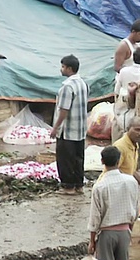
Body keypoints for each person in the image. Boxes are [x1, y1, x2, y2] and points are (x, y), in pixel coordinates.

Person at [88, 146, 140, 260]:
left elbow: (95, 218)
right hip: (124, 231)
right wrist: (130, 230)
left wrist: (92, 241)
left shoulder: (100, 186)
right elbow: (136, 208)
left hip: (107, 235)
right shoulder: (131, 181)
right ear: (119, 161)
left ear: (102, 161)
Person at [50, 55, 89, 196]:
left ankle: (68, 187)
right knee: (78, 158)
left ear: (69, 69)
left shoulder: (67, 86)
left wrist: (56, 127)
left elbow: (64, 109)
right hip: (80, 129)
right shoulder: (83, 84)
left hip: (67, 130)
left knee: (66, 159)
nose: (61, 69)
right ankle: (79, 185)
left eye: (63, 67)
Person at [113, 47, 140, 143]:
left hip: (122, 105)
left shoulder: (124, 71)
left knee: (119, 130)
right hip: (139, 106)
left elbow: (117, 91)